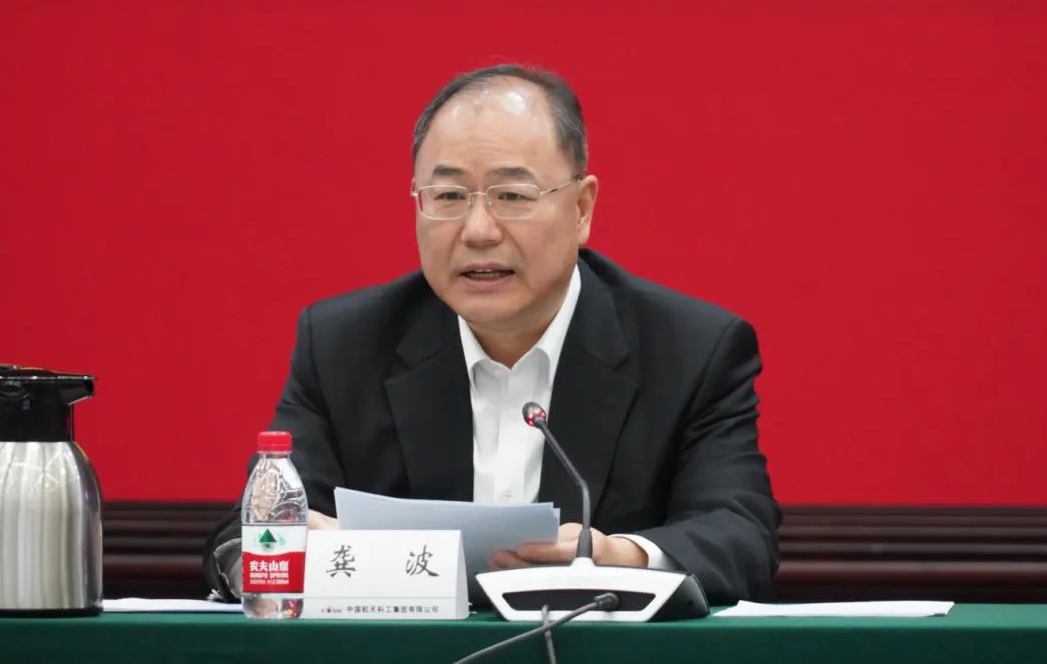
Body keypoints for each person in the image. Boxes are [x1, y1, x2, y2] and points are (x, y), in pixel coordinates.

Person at [205, 64, 781, 604]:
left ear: (582, 209)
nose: (478, 230)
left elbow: (739, 533)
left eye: (512, 196)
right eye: (449, 197)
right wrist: (277, 552)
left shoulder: (690, 351)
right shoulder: (343, 347)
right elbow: (244, 535)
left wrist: (620, 558)